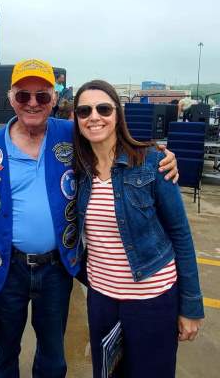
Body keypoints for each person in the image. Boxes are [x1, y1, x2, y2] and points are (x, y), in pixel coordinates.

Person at [0, 60, 178, 378]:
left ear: (55, 100)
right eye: (24, 96)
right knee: (1, 355)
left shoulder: (69, 134)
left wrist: (159, 154)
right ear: (11, 97)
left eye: (42, 96)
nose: (33, 103)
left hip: (56, 268)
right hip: (6, 268)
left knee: (53, 356)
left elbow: (113, 139)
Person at [73, 80, 204, 378]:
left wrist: (191, 307)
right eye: (84, 110)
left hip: (152, 300)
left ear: (117, 115)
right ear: (77, 119)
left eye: (103, 108)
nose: (94, 116)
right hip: (102, 300)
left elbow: (181, 235)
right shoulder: (78, 170)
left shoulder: (152, 163)